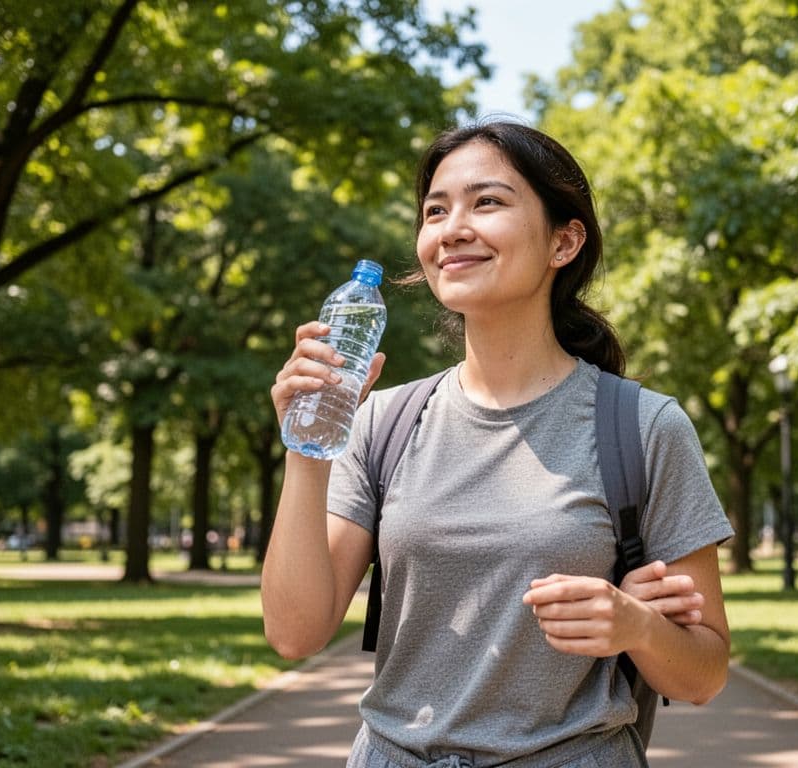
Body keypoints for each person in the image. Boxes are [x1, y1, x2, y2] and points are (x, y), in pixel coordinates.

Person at [264, 121, 734, 767]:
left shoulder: (645, 428)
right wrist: (308, 442)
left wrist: (636, 627)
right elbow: (294, 633)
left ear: (563, 241)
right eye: (435, 210)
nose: (452, 228)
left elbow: (704, 674)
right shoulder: (382, 421)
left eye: (487, 202)